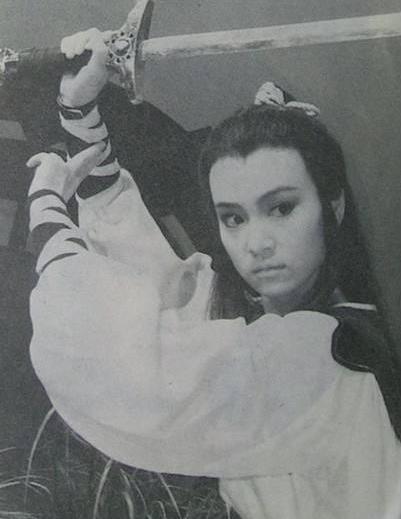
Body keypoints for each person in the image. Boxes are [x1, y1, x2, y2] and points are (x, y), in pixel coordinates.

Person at [27, 29, 401, 518]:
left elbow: (130, 371)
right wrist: (80, 111)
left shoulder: (330, 351)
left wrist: (46, 211)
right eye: (234, 218)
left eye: (281, 208)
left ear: (333, 206)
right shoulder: (261, 326)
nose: (257, 242)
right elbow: (157, 284)